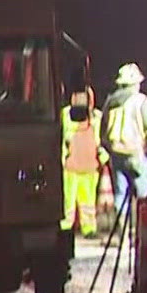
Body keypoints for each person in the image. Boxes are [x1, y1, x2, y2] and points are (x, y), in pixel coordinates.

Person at [103, 63, 147, 205]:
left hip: (116, 154)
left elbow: (103, 131)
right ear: (135, 83)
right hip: (137, 155)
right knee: (142, 197)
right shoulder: (141, 101)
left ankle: (122, 225)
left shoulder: (110, 103)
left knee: (120, 194)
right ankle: (138, 225)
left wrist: (110, 148)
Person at [60, 87, 105, 239]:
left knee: (88, 202)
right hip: (71, 166)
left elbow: (100, 140)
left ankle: (89, 229)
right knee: (68, 201)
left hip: (89, 166)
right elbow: (63, 138)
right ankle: (66, 229)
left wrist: (102, 158)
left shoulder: (96, 117)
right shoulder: (66, 115)